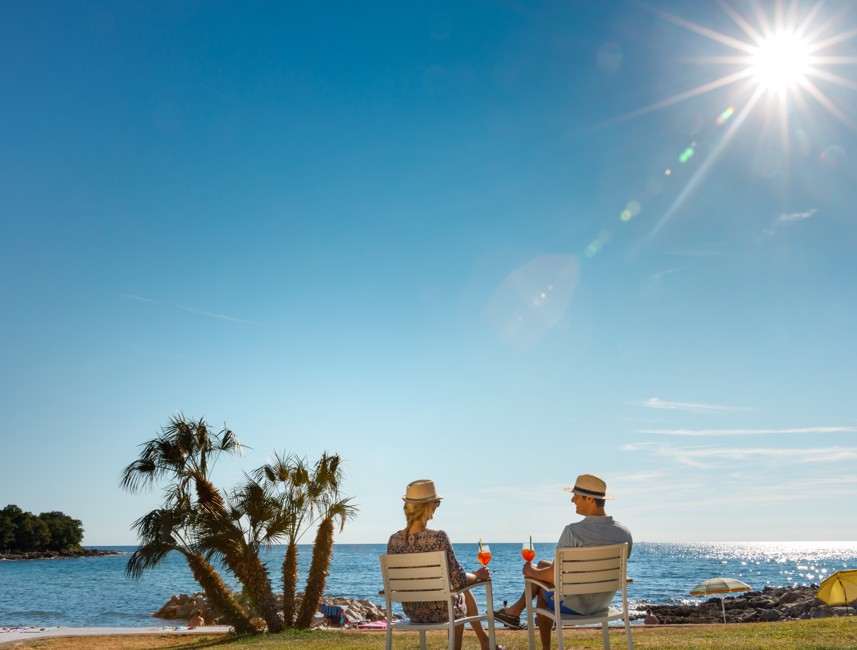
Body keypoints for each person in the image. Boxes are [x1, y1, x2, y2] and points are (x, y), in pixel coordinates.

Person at [493, 474, 632, 650]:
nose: (572, 499)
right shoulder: (624, 533)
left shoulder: (573, 531)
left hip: (575, 607)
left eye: (576, 495)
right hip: (602, 605)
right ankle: (515, 611)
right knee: (544, 565)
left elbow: (553, 576)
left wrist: (530, 572)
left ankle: (531, 631)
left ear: (589, 498)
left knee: (540, 585)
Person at [387, 479, 504, 650]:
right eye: (437, 503)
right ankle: (485, 642)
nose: (436, 507)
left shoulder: (393, 541)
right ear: (429, 506)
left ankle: (485, 642)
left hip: (412, 611)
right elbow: (458, 580)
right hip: (440, 611)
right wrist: (478, 576)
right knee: (459, 595)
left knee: (458, 593)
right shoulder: (439, 537)